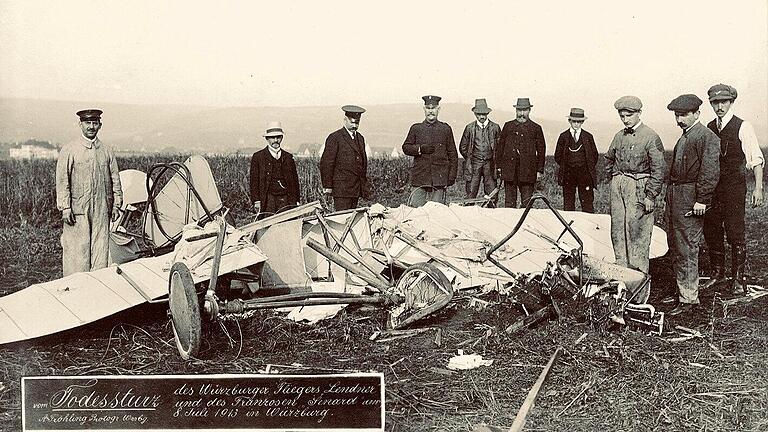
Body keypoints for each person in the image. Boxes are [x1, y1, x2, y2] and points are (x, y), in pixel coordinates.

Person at [702, 84, 765, 295]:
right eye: (715, 102)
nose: (719, 106)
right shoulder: (709, 126)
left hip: (734, 188)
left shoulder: (742, 126)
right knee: (712, 230)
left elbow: (755, 159)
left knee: (735, 232)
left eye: (724, 102)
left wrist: (758, 188)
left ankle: (738, 280)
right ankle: (717, 274)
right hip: (713, 189)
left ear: (731, 102)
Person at [604, 96, 666, 303]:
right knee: (618, 233)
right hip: (618, 186)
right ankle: (621, 286)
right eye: (621, 116)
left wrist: (650, 195)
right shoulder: (619, 136)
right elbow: (609, 159)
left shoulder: (650, 136)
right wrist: (612, 180)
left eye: (628, 115)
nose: (625, 119)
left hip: (639, 188)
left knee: (637, 236)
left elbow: (659, 169)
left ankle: (639, 293)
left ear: (639, 113)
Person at [663, 94, 721, 316]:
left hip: (691, 196)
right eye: (677, 115)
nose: (679, 119)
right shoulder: (686, 136)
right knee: (676, 244)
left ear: (697, 113)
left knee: (687, 246)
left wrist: (702, 200)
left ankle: (689, 299)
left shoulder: (706, 137)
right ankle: (682, 291)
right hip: (677, 195)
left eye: (684, 115)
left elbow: (709, 171)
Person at [56, 109, 123, 276]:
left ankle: (98, 286)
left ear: (100, 125)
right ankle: (76, 286)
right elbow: (63, 179)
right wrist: (65, 207)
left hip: (102, 208)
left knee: (100, 247)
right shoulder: (69, 150)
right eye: (87, 123)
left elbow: (115, 179)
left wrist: (116, 204)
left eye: (95, 123)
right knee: (78, 249)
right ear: (80, 124)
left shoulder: (107, 151)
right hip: (78, 209)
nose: (91, 127)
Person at [402, 95, 458, 207]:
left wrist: (451, 176)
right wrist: (420, 149)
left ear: (438, 109)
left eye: (433, 108)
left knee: (437, 213)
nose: (430, 111)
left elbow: (452, 154)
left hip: (439, 178)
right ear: (424, 109)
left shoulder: (445, 129)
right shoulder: (416, 128)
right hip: (420, 177)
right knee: (416, 212)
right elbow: (406, 147)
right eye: (428, 108)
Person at [496, 98, 546, 208]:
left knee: (527, 203)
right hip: (510, 172)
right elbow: (500, 148)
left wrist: (539, 170)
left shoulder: (536, 128)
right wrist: (499, 167)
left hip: (528, 172)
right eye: (519, 110)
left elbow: (541, 151)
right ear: (516, 111)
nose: (522, 113)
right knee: (509, 203)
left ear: (529, 111)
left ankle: (526, 225)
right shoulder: (508, 126)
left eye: (524, 110)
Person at [320, 105, 369, 211]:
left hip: (356, 189)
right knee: (342, 219)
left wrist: (363, 186)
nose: (355, 125)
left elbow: (363, 163)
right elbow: (327, 163)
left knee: (352, 218)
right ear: (345, 120)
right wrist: (328, 187)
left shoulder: (360, 138)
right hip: (341, 189)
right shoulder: (335, 137)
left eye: (357, 123)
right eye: (352, 122)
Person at [249, 121, 300, 219]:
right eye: (272, 138)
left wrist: (296, 200)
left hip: (286, 199)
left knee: (287, 223)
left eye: (278, 137)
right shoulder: (258, 157)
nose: (276, 140)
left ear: (282, 138)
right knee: (268, 225)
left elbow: (295, 181)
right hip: (268, 200)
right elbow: (254, 181)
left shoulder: (288, 157)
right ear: (267, 139)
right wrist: (256, 201)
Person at [554, 108, 598, 212]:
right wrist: (567, 166)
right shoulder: (563, 136)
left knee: (587, 202)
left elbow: (594, 156)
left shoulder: (588, 137)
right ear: (569, 121)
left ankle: (588, 227)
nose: (576, 124)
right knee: (568, 203)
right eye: (574, 121)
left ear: (582, 122)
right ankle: (569, 226)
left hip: (584, 175)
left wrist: (585, 168)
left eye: (579, 122)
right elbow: (557, 156)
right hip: (568, 175)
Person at [458, 99, 501, 200]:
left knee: (492, 194)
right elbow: (462, 147)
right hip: (474, 165)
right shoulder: (469, 128)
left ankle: (491, 212)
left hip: (490, 165)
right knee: (471, 193)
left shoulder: (495, 127)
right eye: (479, 114)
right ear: (475, 114)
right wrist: (470, 158)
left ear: (487, 113)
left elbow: (500, 148)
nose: (482, 117)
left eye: (484, 114)